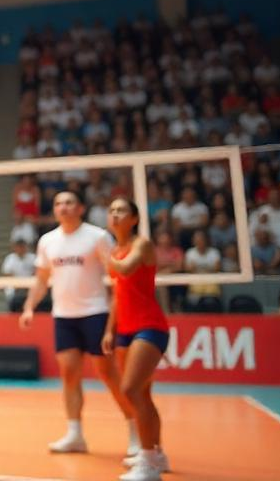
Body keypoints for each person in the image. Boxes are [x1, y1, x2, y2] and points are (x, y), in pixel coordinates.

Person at [20, 191, 135, 455]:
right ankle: (75, 435)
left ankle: (135, 431)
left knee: (109, 375)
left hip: (95, 312)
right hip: (64, 316)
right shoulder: (47, 241)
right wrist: (29, 307)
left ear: (81, 208)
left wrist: (119, 311)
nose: (63, 207)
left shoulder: (97, 236)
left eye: (69, 202)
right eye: (58, 203)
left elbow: (117, 274)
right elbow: (41, 278)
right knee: (69, 374)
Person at [100, 199, 171, 480]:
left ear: (134, 218)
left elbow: (127, 269)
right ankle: (156, 453)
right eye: (111, 210)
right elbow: (118, 295)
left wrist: (102, 255)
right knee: (142, 395)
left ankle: (149, 465)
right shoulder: (115, 251)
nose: (115, 214)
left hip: (150, 326)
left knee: (129, 389)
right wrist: (109, 329)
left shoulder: (141, 245)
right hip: (125, 330)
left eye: (121, 211)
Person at [2, 239, 35, 310]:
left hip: (29, 288)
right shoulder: (10, 259)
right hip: (14, 289)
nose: (21, 249)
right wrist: (18, 285)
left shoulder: (32, 258)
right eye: (19, 247)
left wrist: (27, 285)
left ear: (26, 247)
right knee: (13, 306)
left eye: (22, 247)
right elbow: (7, 274)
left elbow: (36, 272)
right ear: (15, 248)